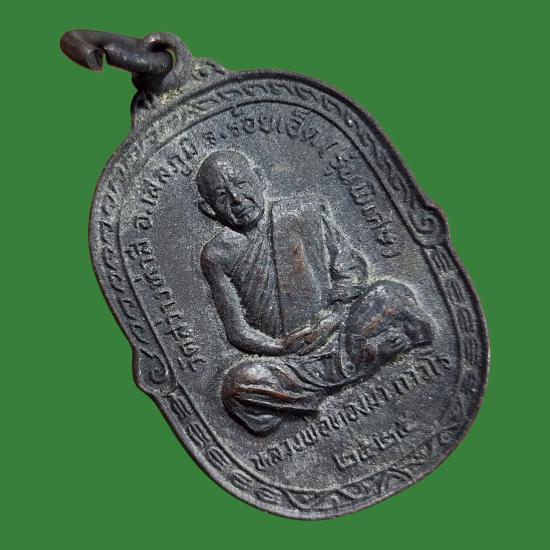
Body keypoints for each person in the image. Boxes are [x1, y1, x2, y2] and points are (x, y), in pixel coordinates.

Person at [198, 150, 367, 358]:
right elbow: (237, 331)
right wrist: (282, 348)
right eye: (222, 196)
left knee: (389, 297)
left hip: (338, 331)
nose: (237, 199)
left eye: (241, 184)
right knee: (243, 378)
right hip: (282, 358)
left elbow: (350, 272)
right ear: (209, 209)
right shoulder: (217, 255)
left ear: (259, 179)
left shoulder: (306, 211)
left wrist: (332, 319)